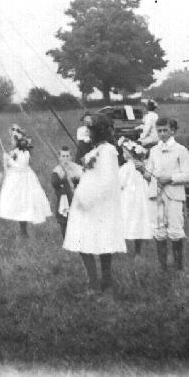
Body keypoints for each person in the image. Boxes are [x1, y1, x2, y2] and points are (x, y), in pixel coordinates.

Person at [63, 114, 126, 295]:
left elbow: (106, 181)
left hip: (95, 205)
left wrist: (83, 193)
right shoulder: (100, 150)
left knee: (85, 242)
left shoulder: (106, 152)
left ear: (97, 131)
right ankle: (104, 282)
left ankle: (96, 285)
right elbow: (95, 175)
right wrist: (79, 174)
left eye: (89, 129)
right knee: (98, 242)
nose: (86, 132)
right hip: (96, 203)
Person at [139, 118, 189, 271]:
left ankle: (178, 267)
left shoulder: (180, 150)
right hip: (157, 195)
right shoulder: (154, 151)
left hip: (174, 194)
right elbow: (149, 174)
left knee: (175, 229)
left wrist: (171, 178)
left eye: (165, 130)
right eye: (159, 131)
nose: (162, 134)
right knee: (159, 230)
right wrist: (142, 170)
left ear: (172, 131)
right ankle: (163, 267)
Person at [0, 125, 52, 238]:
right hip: (14, 180)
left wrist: (10, 160)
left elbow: (21, 167)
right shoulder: (14, 151)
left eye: (13, 139)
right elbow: (7, 169)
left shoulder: (25, 153)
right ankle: (21, 228)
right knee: (16, 202)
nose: (11, 141)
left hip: (24, 180)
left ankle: (24, 230)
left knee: (25, 201)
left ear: (19, 141)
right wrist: (5, 160)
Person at [117, 137, 153, 256]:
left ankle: (124, 247)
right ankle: (137, 249)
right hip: (140, 199)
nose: (123, 154)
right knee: (138, 220)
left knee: (126, 218)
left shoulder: (126, 168)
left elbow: (120, 183)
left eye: (124, 151)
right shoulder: (141, 166)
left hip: (129, 198)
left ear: (129, 153)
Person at [49, 146, 83, 238]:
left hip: (77, 198)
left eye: (67, 156)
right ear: (59, 158)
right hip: (64, 199)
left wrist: (76, 179)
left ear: (71, 157)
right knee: (64, 220)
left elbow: (84, 178)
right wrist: (63, 177)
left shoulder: (76, 168)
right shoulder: (57, 170)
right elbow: (54, 183)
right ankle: (66, 238)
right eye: (63, 156)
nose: (65, 158)